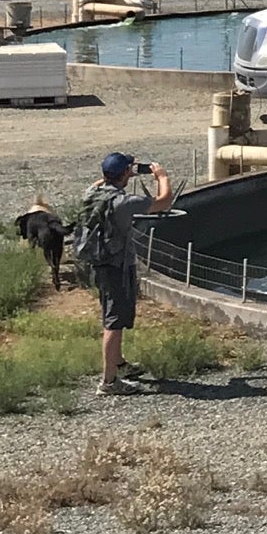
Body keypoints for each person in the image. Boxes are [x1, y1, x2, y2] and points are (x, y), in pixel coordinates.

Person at [78, 154, 176, 396]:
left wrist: (118, 172)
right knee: (114, 321)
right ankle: (109, 382)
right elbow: (164, 202)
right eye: (129, 169)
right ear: (124, 174)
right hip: (116, 265)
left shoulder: (91, 193)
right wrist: (161, 177)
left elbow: (101, 182)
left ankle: (119, 364)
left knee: (115, 315)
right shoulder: (124, 203)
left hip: (100, 262)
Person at [14, 199, 68, 291]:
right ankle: (56, 270)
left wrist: (31, 256)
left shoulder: (30, 221)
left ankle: (52, 267)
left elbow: (31, 244)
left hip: (45, 233)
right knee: (56, 252)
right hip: (56, 227)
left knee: (47, 253)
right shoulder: (47, 216)